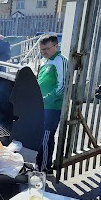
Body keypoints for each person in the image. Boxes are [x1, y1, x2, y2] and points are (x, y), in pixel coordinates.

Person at [36, 34, 67, 174]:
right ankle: (39, 164)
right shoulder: (44, 61)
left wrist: (46, 99)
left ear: (56, 46)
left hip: (52, 107)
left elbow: (63, 86)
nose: (44, 52)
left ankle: (44, 168)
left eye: (47, 49)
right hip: (40, 106)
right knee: (39, 136)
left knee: (46, 137)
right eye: (41, 49)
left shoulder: (61, 61)